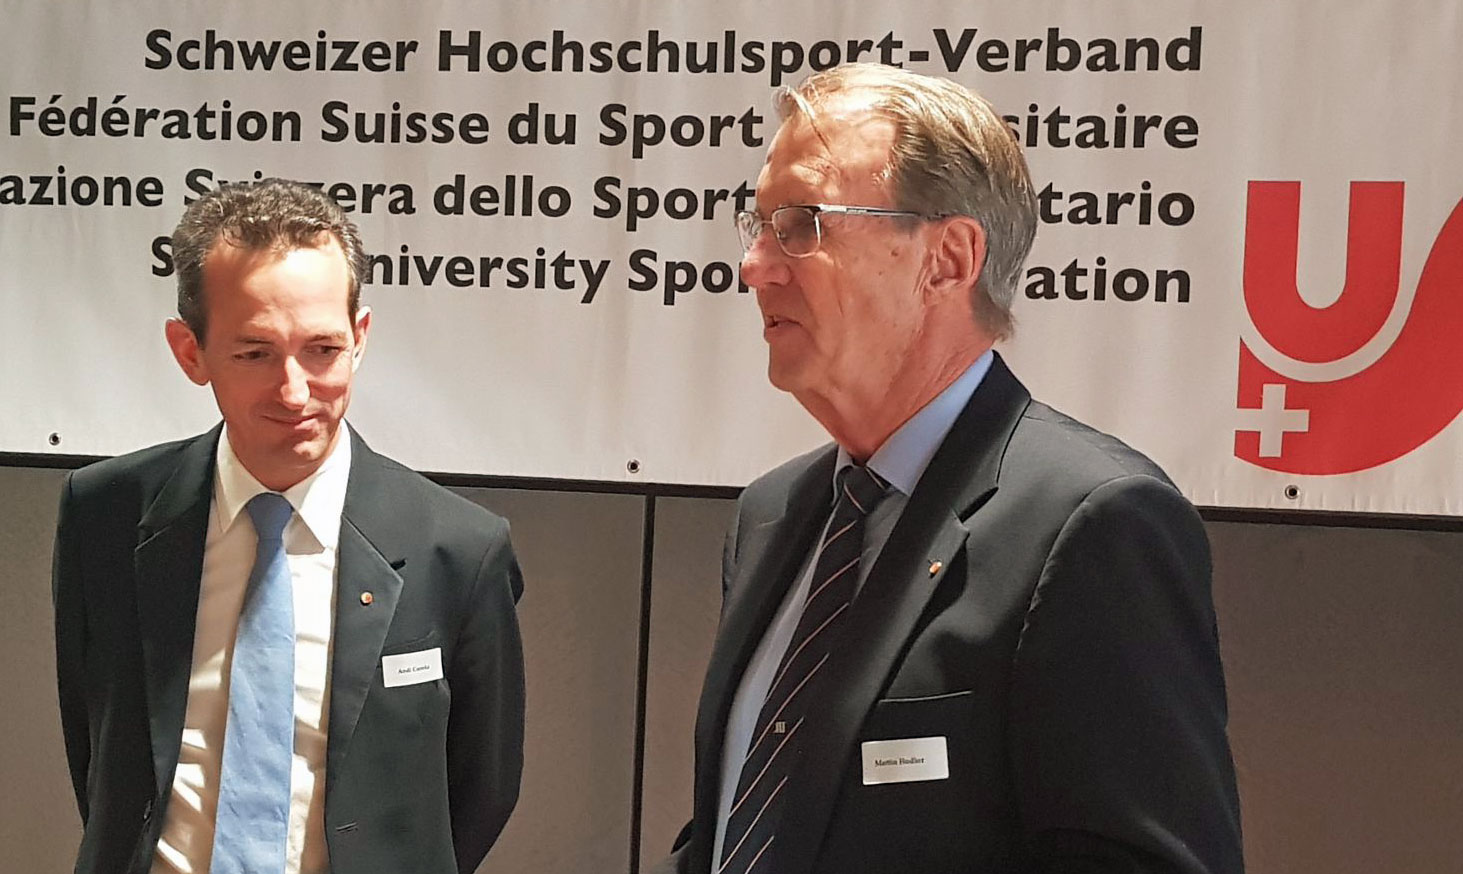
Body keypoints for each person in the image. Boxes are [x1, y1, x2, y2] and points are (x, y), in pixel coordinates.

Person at [658, 64, 1243, 874]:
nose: (755, 265)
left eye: (800, 224)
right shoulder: (773, 513)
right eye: (757, 224)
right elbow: (739, 830)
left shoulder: (1091, 524)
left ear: (947, 258)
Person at [52, 179, 525, 874]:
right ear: (190, 352)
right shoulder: (106, 515)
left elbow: (479, 792)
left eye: (322, 349)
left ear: (359, 338)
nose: (295, 391)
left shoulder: (458, 550)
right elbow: (97, 752)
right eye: (255, 353)